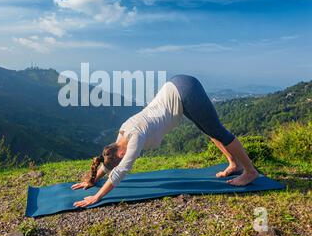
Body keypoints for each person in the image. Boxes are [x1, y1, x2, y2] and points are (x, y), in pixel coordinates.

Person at [72, 74, 259, 208]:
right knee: (206, 128)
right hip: (176, 86)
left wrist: (96, 196)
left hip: (185, 91)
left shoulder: (135, 138)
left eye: (122, 158)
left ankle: (250, 171)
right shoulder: (121, 135)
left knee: (218, 131)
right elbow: (109, 162)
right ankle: (233, 164)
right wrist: (92, 179)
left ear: (121, 154)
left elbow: (120, 170)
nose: (123, 158)